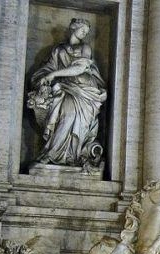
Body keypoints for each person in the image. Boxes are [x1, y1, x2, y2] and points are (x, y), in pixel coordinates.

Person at [28, 18, 107, 168]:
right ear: (73, 28)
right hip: (65, 88)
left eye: (87, 32)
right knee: (65, 114)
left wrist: (54, 75)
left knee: (72, 116)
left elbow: (79, 68)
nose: (84, 33)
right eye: (82, 30)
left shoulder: (85, 48)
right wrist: (43, 77)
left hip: (84, 90)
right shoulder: (58, 50)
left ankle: (69, 155)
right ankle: (56, 153)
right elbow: (48, 68)